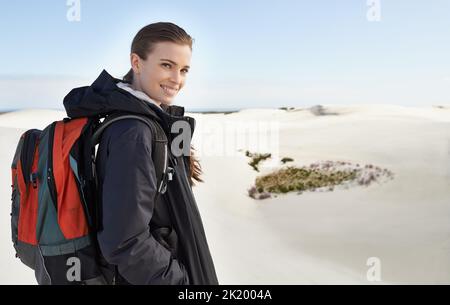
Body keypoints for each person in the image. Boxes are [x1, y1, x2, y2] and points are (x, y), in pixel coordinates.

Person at [63, 22, 219, 285]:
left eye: (184, 70)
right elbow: (124, 241)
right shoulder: (133, 132)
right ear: (137, 62)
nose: (177, 79)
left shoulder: (153, 124)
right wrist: (180, 282)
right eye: (166, 65)